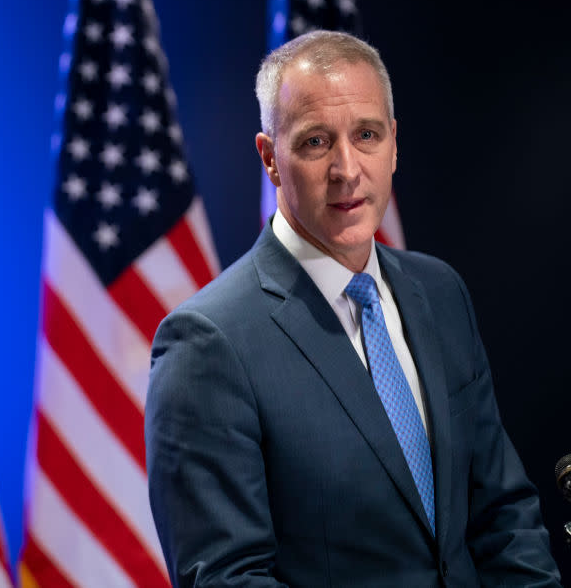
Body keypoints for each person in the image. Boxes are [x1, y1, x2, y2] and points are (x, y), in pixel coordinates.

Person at [144, 30, 560, 586]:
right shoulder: (208, 342)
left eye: (366, 135)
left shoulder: (439, 292)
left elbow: (504, 513)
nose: (347, 168)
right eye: (316, 142)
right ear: (270, 157)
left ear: (394, 143)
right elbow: (229, 578)